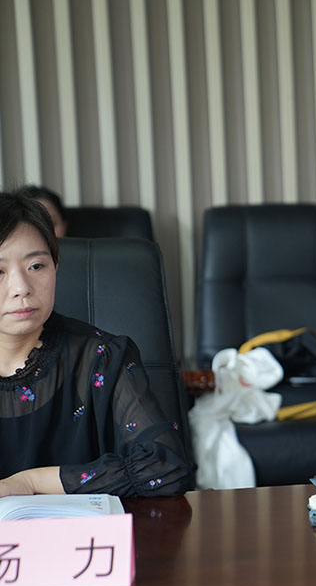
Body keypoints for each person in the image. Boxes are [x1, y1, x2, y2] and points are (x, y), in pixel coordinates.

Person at [0, 190, 194, 497]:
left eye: (36, 266)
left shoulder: (103, 357)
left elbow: (165, 467)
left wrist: (30, 483)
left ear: (56, 266)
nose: (21, 288)